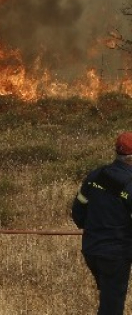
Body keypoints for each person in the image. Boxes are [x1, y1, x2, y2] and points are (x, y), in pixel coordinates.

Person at [72, 132, 132, 315]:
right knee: (111, 306)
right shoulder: (130, 184)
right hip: (115, 253)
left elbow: (78, 213)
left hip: (92, 250)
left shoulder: (95, 175)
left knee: (109, 298)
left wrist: (96, 229)